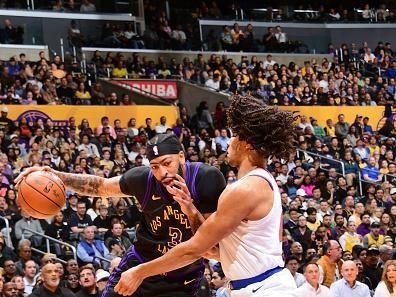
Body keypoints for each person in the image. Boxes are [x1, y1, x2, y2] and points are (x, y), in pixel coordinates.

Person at [113, 95, 297, 296]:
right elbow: (213, 251)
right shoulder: (260, 181)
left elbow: (195, 248)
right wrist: (190, 209)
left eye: (234, 136)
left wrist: (140, 271)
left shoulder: (245, 189)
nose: (229, 141)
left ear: (247, 144)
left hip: (265, 289)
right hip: (253, 286)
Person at [16, 133, 226, 297]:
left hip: (182, 274)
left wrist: (188, 207)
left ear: (181, 156)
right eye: (155, 166)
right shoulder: (143, 179)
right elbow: (101, 186)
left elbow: (209, 247)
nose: (162, 172)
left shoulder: (206, 179)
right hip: (141, 259)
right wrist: (55, 175)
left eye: (167, 163)